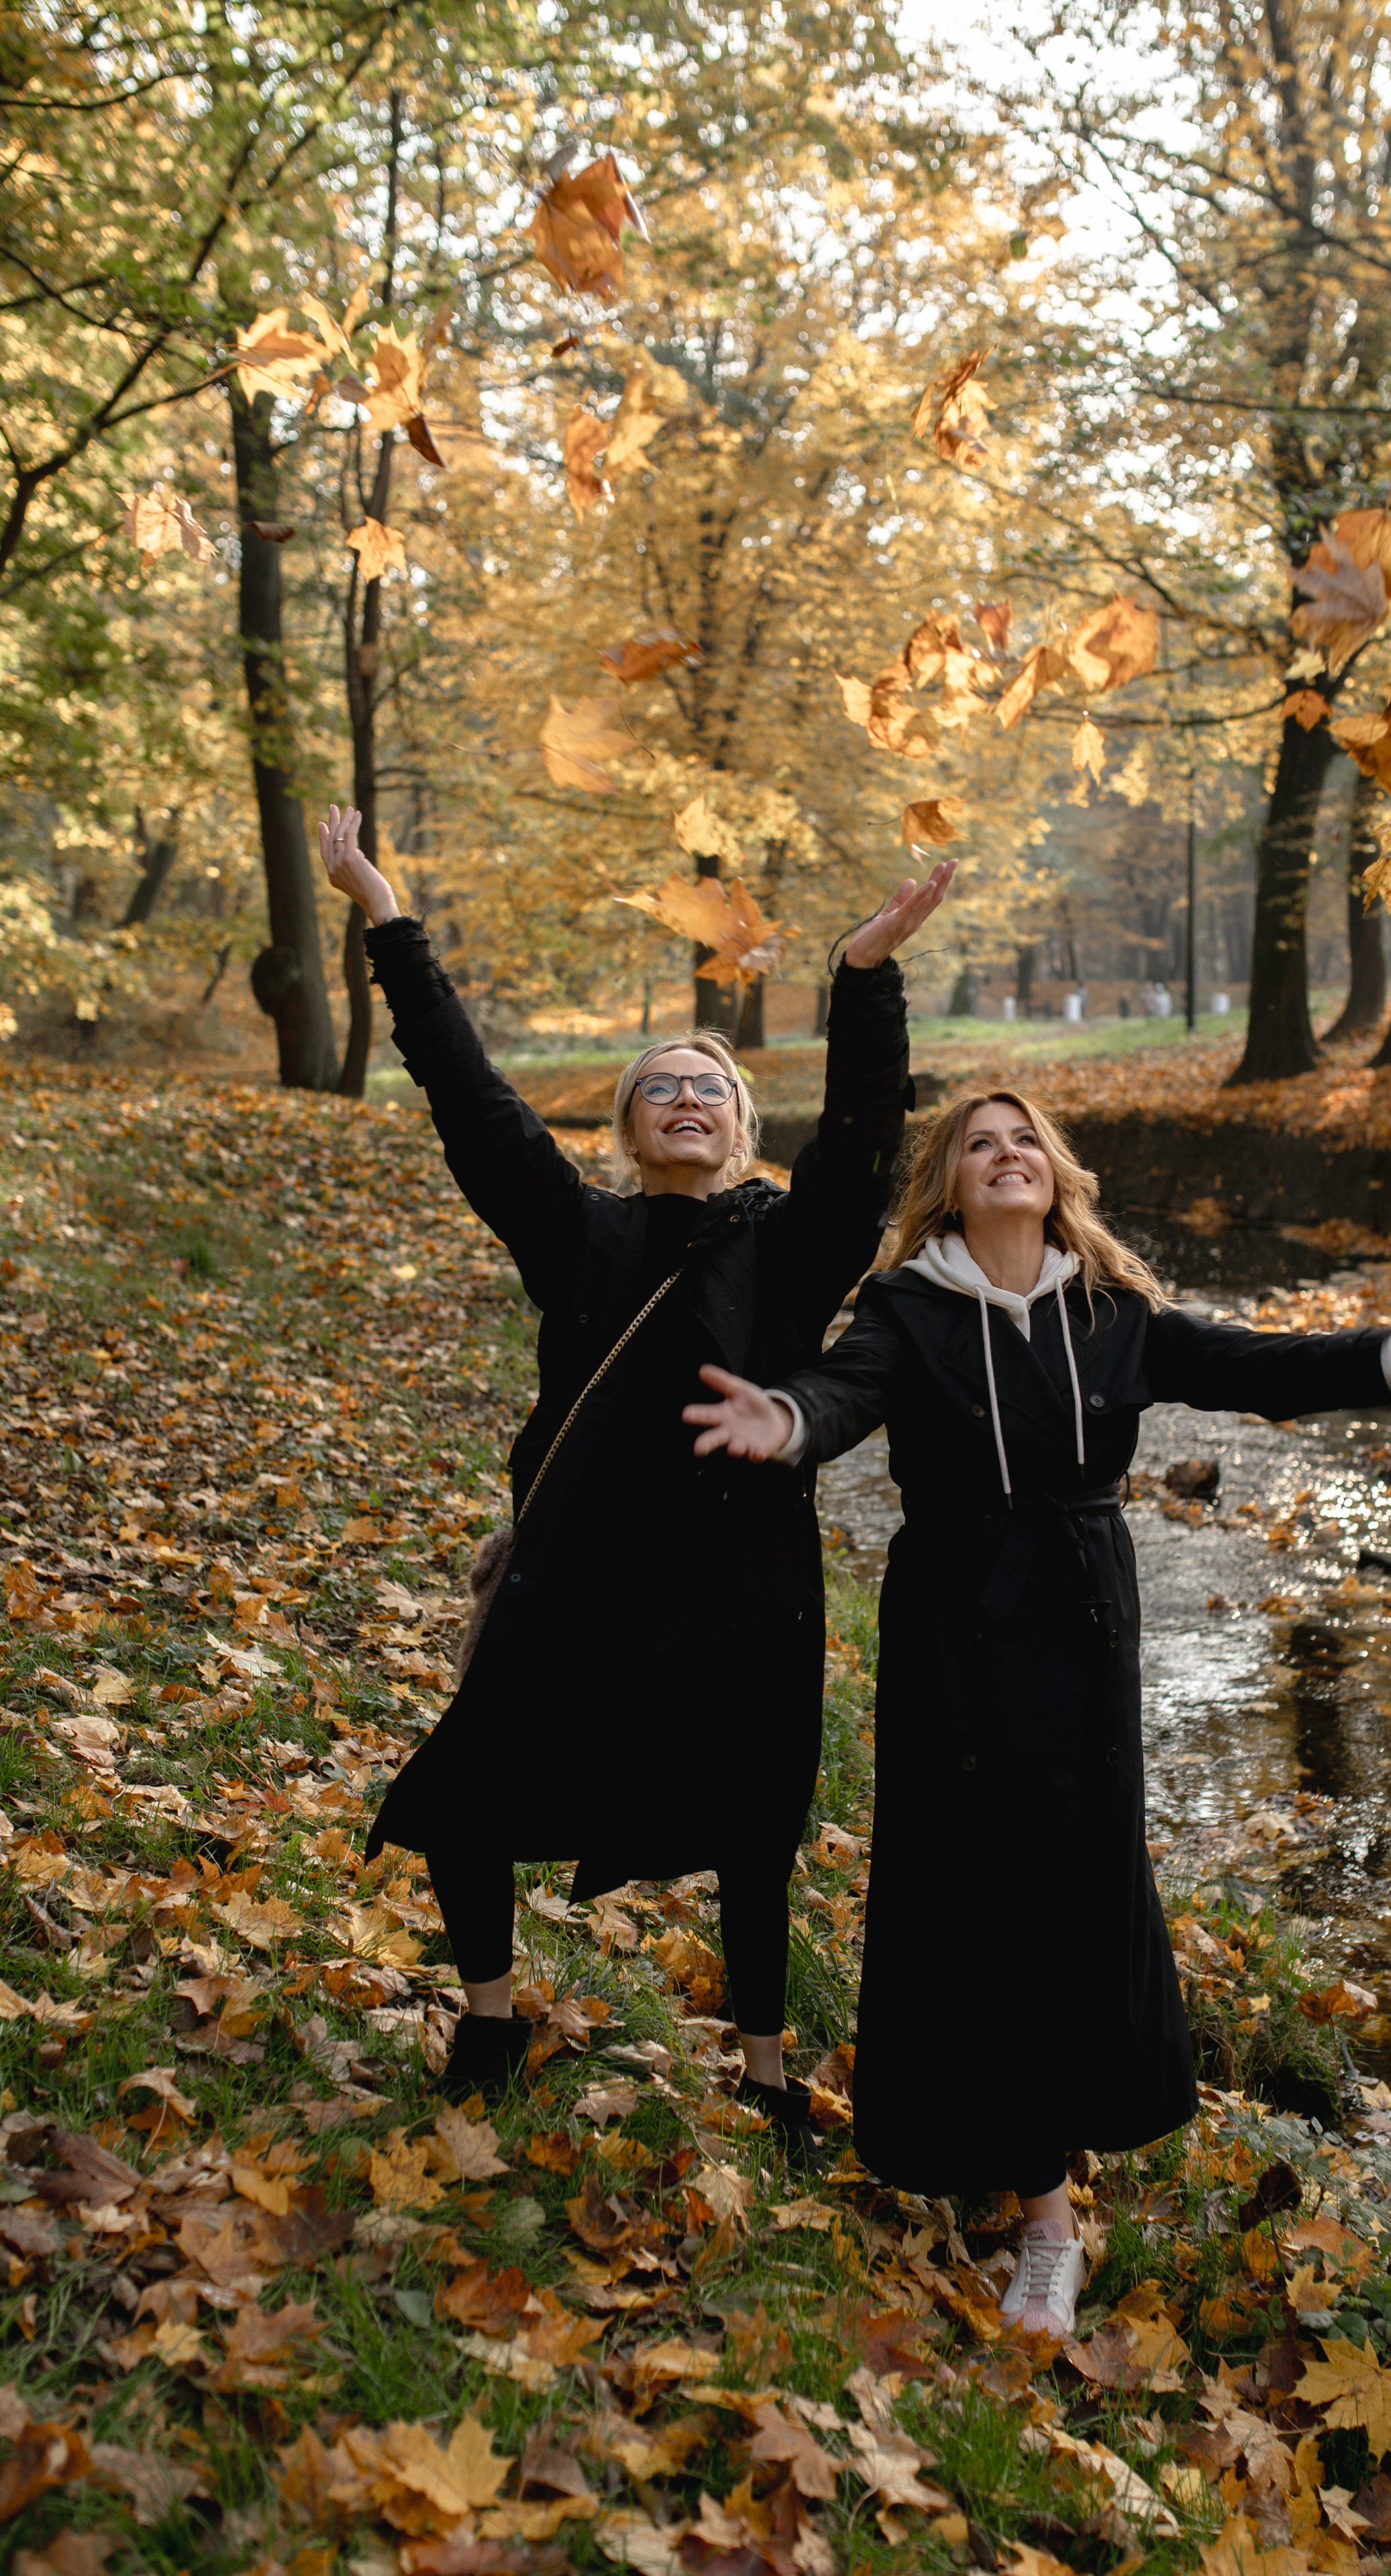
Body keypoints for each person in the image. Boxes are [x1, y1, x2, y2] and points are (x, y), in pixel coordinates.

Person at [683, 1089, 1391, 2332]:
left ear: (1056, 1174)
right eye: (980, 1142)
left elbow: (1256, 1367)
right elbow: (842, 1393)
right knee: (965, 1877)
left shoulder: (1113, 1314)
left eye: (1024, 1138)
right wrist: (783, 1420)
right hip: (952, 1624)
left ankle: (1046, 2183)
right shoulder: (907, 1306)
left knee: (1067, 1879)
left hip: (1085, 1623)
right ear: (947, 1181)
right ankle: (1031, 2190)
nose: (1007, 1153)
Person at [316, 804, 954, 2116]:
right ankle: (488, 2019)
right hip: (580, 1568)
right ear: (625, 1124)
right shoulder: (577, 1233)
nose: (681, 1097)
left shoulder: (791, 1242)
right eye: (657, 1085)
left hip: (743, 1578)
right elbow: (470, 1096)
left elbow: (860, 1141)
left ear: (738, 1123)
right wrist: (385, 914)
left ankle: (765, 2071)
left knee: (752, 1828)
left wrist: (865, 976)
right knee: (473, 1786)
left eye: (706, 1086)